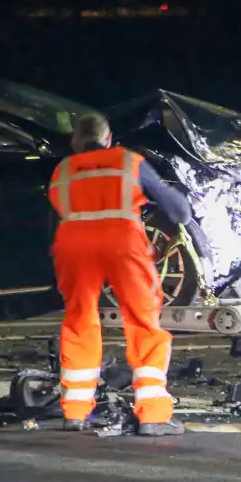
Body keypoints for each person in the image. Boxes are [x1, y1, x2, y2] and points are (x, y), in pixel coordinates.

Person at [48, 112, 199, 436]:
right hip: (122, 242)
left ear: (75, 141)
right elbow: (180, 212)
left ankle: (74, 411)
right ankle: (153, 416)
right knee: (143, 322)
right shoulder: (128, 161)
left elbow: (56, 213)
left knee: (78, 321)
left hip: (73, 244)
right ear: (108, 138)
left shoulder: (62, 170)